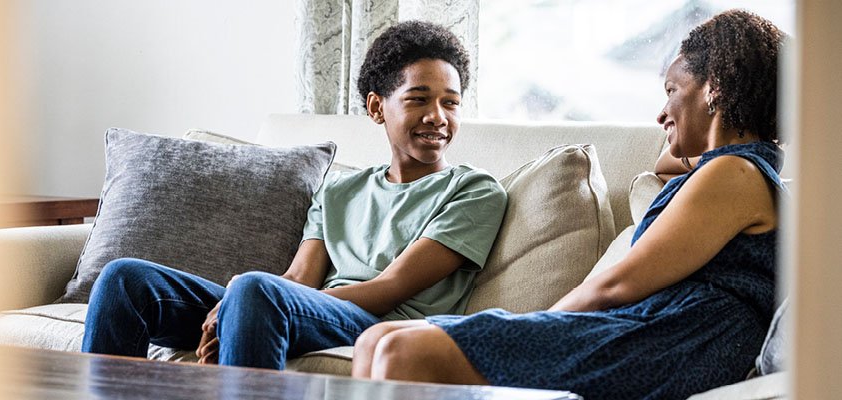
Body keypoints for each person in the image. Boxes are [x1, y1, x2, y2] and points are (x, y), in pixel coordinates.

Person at [352, 9, 787, 399]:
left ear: (713, 90)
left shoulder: (734, 173)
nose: (661, 113)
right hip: (667, 331)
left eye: (671, 89)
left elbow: (616, 286)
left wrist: (538, 325)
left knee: (401, 349)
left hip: (677, 340)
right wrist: (707, 121)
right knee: (376, 340)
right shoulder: (728, 169)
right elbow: (670, 158)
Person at [81, 20, 507, 370]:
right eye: (419, 99)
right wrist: (236, 304)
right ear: (377, 108)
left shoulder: (472, 190)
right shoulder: (341, 189)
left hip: (383, 324)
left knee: (255, 290)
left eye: (451, 104)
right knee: (125, 279)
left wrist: (247, 300)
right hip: (310, 311)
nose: (438, 117)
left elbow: (388, 288)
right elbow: (299, 279)